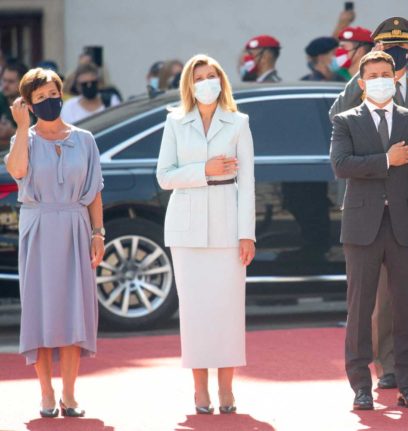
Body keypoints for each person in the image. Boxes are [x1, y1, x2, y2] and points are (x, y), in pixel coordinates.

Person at [330, 16, 408, 392]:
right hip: (369, 210)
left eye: (401, 48)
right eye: (386, 49)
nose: (395, 56)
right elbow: (340, 120)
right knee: (374, 297)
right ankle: (388, 366)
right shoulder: (360, 89)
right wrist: (362, 72)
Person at [156, 54, 255, 415]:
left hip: (229, 226)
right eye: (199, 77)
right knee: (196, 313)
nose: (206, 82)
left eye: (212, 75)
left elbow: (248, 183)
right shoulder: (175, 122)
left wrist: (248, 234)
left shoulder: (239, 122)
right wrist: (205, 170)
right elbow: (165, 176)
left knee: (228, 310)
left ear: (222, 80)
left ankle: (227, 388)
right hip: (186, 229)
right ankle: (200, 390)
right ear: (189, 84)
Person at [4, 67, 104, 418]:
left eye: (53, 94)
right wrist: (19, 127)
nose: (50, 102)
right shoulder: (24, 140)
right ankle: (46, 392)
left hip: (76, 227)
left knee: (75, 310)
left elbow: (93, 192)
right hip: (39, 227)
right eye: (41, 98)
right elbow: (16, 171)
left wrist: (98, 233)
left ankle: (70, 393)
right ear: (29, 104)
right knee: (42, 311)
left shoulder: (85, 139)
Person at [0, 62, 28, 149]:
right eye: (4, 80)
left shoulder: (32, 103)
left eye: (11, 82)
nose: (5, 85)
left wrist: (12, 132)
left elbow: (39, 139)